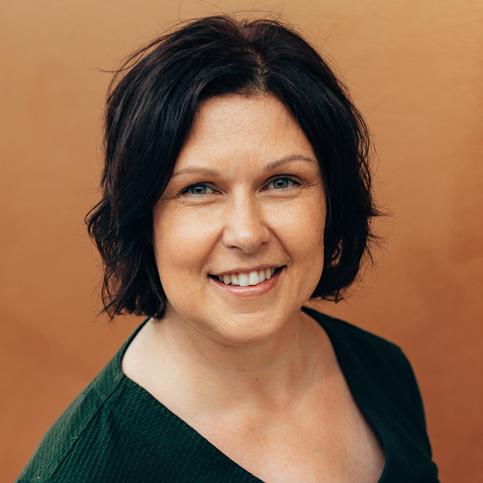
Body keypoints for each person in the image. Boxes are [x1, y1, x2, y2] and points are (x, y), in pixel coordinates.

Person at [17, 14, 439, 482]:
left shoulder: (383, 370)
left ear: (331, 200)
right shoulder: (86, 470)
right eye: (198, 189)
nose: (247, 233)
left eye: (282, 182)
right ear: (144, 219)